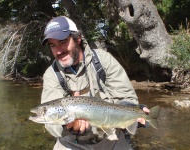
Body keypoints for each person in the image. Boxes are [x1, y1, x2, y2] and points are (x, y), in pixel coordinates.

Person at [41, 16, 149, 150]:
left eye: (63, 42)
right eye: (53, 45)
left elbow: (125, 97)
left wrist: (133, 110)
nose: (58, 51)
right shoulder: (51, 74)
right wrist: (66, 126)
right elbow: (50, 123)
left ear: (78, 38)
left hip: (110, 138)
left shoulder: (103, 60)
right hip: (71, 142)